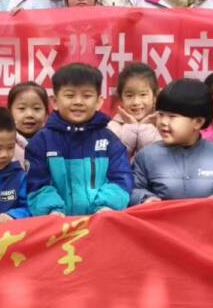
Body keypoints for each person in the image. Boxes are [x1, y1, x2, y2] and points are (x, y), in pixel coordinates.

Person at [26, 63, 133, 216]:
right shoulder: (41, 142)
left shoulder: (110, 141)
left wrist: (106, 207)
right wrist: (52, 211)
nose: (78, 102)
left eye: (86, 96)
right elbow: (36, 184)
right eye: (70, 95)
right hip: (56, 225)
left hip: (101, 222)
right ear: (54, 102)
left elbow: (121, 179)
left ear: (99, 102)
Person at [132, 79, 213, 204]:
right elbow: (133, 189)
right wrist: (145, 199)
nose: (163, 122)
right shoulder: (147, 155)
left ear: (198, 122)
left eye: (172, 116)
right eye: (160, 114)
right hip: (161, 216)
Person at [110, 62, 160, 158]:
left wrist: (144, 129)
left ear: (155, 97)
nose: (136, 102)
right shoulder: (112, 128)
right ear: (121, 99)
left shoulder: (162, 126)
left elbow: (157, 159)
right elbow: (114, 158)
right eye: (129, 95)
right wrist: (132, 128)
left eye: (143, 95)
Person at [8, 80, 49, 168]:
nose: (29, 114)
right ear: (9, 112)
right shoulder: (3, 142)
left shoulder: (52, 141)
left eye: (36, 108)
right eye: (22, 108)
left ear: (46, 114)